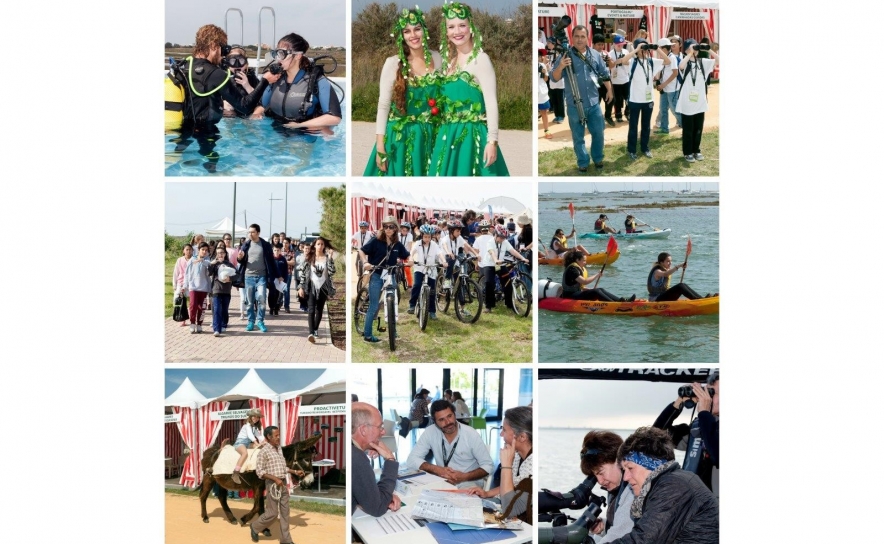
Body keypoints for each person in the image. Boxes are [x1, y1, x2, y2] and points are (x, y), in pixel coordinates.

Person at [167, 25, 267, 172]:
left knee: (174, 157)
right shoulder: (216, 74)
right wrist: (265, 80)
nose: (223, 56)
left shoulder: (184, 66)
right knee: (212, 161)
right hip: (207, 130)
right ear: (214, 46)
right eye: (223, 49)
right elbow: (244, 106)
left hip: (182, 127)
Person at [430, 2, 509, 176]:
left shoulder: (481, 60)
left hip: (472, 138)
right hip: (447, 136)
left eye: (462, 25)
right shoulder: (448, 62)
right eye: (451, 27)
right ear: (446, 31)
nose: (456, 31)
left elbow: (491, 103)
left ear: (471, 26)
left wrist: (492, 141)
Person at [364, 7, 442, 176]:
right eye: (407, 31)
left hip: (429, 137)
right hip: (399, 138)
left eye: (417, 29)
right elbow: (383, 105)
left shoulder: (438, 59)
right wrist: (380, 146)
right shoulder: (392, 63)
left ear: (424, 30)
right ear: (402, 36)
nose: (413, 35)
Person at [607, 426, 718, 543]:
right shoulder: (671, 481)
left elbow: (644, 540)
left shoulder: (674, 487)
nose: (625, 477)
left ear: (651, 463)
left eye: (630, 468)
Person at [551, 25, 612, 172]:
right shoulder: (566, 55)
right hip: (574, 105)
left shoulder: (595, 55)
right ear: (572, 38)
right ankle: (583, 162)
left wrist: (610, 89)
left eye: (582, 36)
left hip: (593, 103)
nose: (579, 39)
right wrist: (560, 67)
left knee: (598, 133)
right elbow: (554, 78)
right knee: (578, 137)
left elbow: (604, 73)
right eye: (577, 36)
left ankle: (598, 158)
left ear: (587, 38)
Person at [257, 33, 342, 134]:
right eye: (276, 54)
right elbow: (261, 105)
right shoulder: (275, 78)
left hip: (303, 132)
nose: (278, 59)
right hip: (274, 129)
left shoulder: (317, 81)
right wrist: (255, 116)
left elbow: (334, 117)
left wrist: (299, 125)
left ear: (298, 55)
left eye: (282, 54)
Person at [653, 371, 720, 496]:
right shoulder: (698, 426)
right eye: (707, 392)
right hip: (693, 503)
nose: (707, 397)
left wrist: (704, 413)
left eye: (713, 393)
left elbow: (717, 453)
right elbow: (656, 435)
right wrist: (679, 402)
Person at [406, 400, 494, 489]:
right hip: (443, 481)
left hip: (468, 483)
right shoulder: (430, 432)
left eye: (450, 416)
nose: (448, 422)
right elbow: (411, 460)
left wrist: (464, 476)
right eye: (441, 420)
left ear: (454, 414)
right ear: (434, 421)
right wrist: (437, 469)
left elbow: (488, 466)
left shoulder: (470, 434)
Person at [466, 406, 533, 522]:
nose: (501, 434)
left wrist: (506, 465)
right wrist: (487, 493)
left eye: (504, 430)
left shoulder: (532, 465)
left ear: (522, 437)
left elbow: (511, 510)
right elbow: (511, 484)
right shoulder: (517, 454)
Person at [613, 38, 671, 160]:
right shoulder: (632, 62)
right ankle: (631, 150)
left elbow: (667, 61)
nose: (644, 50)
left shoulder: (651, 61)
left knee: (646, 126)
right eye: (642, 48)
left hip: (648, 100)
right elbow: (623, 60)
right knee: (633, 127)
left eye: (645, 48)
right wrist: (636, 49)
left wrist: (656, 48)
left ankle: (645, 148)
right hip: (634, 100)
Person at [250, 426, 306, 544]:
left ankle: (286, 540)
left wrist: (295, 471)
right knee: (273, 513)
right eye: (276, 435)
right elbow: (259, 472)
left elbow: (282, 467)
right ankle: (255, 527)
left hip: (283, 483)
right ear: (269, 437)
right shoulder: (263, 452)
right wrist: (275, 479)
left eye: (279, 435)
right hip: (272, 485)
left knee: (285, 512)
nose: (278, 437)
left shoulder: (279, 448)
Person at [358, 216, 410, 343]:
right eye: (385, 226)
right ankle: (368, 335)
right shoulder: (376, 240)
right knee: (374, 305)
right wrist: (365, 262)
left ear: (395, 228)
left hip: (390, 275)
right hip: (376, 274)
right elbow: (361, 250)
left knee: (392, 302)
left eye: (391, 226)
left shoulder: (397, 244)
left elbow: (406, 255)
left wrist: (410, 260)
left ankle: (393, 330)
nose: (388, 229)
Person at [351, 402, 401, 516]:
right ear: (363, 430)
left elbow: (365, 495)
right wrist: (390, 460)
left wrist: (382, 496)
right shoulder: (357, 457)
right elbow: (377, 508)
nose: (383, 432)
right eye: (380, 427)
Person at [677, 40, 719, 163]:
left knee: (698, 129)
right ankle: (688, 152)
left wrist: (707, 49)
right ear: (685, 50)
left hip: (700, 102)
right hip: (687, 104)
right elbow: (681, 66)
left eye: (696, 47)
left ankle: (696, 150)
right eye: (692, 47)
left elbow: (718, 60)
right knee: (688, 129)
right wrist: (690, 53)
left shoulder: (702, 62)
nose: (695, 50)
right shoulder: (685, 62)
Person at [236, 223, 279, 333]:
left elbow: (271, 261)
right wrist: (239, 258)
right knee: (250, 302)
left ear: (258, 233)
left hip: (262, 277)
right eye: (249, 232)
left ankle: (260, 321)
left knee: (262, 299)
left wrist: (278, 275)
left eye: (252, 232)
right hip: (248, 277)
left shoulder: (265, 245)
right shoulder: (246, 245)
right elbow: (241, 260)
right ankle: (251, 321)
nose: (250, 234)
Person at [479, 226, 530, 313]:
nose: (502, 239)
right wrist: (495, 260)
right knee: (489, 283)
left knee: (507, 283)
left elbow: (512, 251)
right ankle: (489, 306)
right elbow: (492, 252)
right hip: (489, 264)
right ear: (496, 235)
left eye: (504, 237)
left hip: (500, 264)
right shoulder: (490, 242)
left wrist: (522, 258)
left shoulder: (505, 242)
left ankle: (510, 304)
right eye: (501, 237)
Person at [296, 236, 337, 343]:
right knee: (311, 309)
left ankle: (315, 329)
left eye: (322, 244)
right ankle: (310, 333)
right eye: (318, 244)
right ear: (314, 245)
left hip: (323, 287)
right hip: (311, 286)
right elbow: (304, 275)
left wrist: (331, 258)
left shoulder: (327, 258)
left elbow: (332, 272)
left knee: (319, 309)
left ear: (324, 246)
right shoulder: (309, 258)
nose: (320, 246)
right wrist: (300, 287)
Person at [561, 249, 634, 302]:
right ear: (577, 260)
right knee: (596, 292)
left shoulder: (576, 268)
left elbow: (579, 286)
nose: (585, 262)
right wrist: (597, 275)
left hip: (577, 293)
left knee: (600, 289)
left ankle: (621, 301)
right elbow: (584, 281)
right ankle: (615, 305)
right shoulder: (572, 269)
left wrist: (588, 289)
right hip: (570, 295)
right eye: (584, 260)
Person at [408, 224, 446, 319]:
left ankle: (432, 311)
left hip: (430, 269)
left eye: (429, 237)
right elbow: (412, 252)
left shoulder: (434, 245)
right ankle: (412, 305)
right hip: (420, 268)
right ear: (421, 236)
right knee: (416, 285)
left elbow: (440, 253)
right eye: (425, 237)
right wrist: (411, 258)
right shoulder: (417, 243)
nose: (427, 239)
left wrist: (444, 261)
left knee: (432, 291)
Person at [647, 252, 714, 301]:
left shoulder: (665, 269)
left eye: (671, 261)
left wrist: (683, 267)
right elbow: (666, 274)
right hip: (656, 299)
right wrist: (679, 266)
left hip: (663, 297)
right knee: (680, 286)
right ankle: (698, 300)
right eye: (668, 261)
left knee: (682, 284)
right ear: (661, 263)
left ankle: (701, 299)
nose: (670, 263)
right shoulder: (657, 271)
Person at [654, 36, 682, 131]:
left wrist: (663, 84)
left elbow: (675, 73)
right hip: (665, 88)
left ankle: (686, 125)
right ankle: (664, 129)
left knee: (674, 109)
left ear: (664, 48)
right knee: (663, 109)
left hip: (672, 89)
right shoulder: (666, 58)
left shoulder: (672, 58)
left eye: (660, 48)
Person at [207, 243, 234, 337]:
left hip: (226, 290)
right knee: (217, 309)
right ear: (216, 254)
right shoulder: (214, 264)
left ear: (225, 254)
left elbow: (237, 275)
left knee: (224, 309)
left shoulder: (229, 264)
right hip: (216, 289)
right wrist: (211, 264)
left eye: (222, 252)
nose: (220, 254)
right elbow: (208, 273)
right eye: (218, 253)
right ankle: (216, 329)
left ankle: (223, 324)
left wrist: (230, 279)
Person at [231, 409, 265, 484]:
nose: (256, 418)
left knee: (261, 448)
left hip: (248, 443)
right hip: (240, 443)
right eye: (254, 416)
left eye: (257, 417)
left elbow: (259, 436)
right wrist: (256, 443)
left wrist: (266, 442)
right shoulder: (247, 425)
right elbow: (250, 436)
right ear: (250, 417)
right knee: (244, 453)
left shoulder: (254, 427)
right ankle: (236, 472)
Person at [185, 242, 212, 333]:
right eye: (202, 250)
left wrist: (202, 261)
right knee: (193, 306)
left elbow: (209, 270)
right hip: (193, 287)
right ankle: (192, 323)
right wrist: (185, 285)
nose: (204, 252)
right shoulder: (192, 260)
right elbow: (187, 274)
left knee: (202, 308)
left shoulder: (207, 261)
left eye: (206, 250)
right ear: (198, 250)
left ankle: (199, 324)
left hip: (203, 288)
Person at [592, 34, 616, 127]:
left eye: (602, 44)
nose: (601, 46)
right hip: (595, 81)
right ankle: (593, 120)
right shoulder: (589, 54)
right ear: (593, 44)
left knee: (611, 99)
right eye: (598, 44)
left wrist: (609, 60)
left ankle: (608, 116)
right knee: (595, 101)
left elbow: (611, 66)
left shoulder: (606, 53)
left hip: (606, 79)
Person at [607, 34, 630, 124]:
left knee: (628, 98)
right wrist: (616, 62)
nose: (620, 47)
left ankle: (627, 113)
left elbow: (629, 63)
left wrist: (623, 61)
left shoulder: (626, 52)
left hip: (625, 79)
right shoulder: (610, 54)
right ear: (614, 44)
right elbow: (609, 66)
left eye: (622, 44)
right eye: (618, 45)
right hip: (615, 80)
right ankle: (618, 115)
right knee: (617, 99)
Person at [173, 244, 193, 327]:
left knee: (192, 302)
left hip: (191, 283)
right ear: (183, 251)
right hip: (180, 283)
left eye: (190, 249)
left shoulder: (194, 260)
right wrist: (174, 285)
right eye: (187, 249)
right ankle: (182, 319)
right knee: (180, 301)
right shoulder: (179, 260)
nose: (188, 251)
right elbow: (176, 272)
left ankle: (192, 318)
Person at [539, 49, 554, 139]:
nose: (538, 58)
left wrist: (544, 73)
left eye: (539, 56)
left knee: (544, 112)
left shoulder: (542, 66)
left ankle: (546, 130)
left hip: (541, 92)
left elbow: (545, 80)